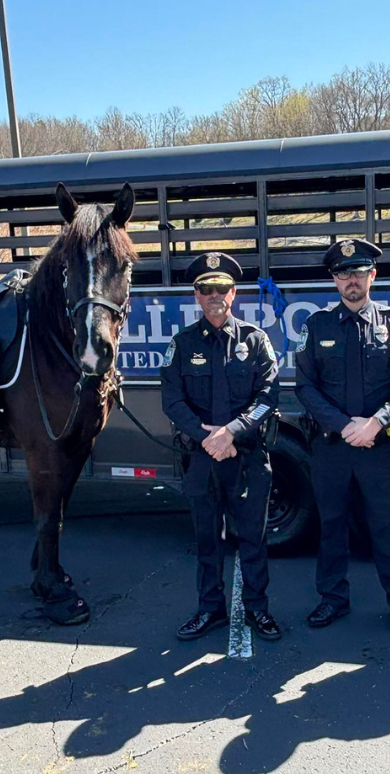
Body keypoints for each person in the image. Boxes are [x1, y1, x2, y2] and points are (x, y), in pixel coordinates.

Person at [295, 238, 390, 635]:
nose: (352, 279)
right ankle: (332, 599)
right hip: (332, 447)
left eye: (359, 271)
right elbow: (305, 385)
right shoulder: (316, 326)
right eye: (343, 273)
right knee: (331, 525)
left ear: (373, 275)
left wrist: (376, 423)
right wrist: (343, 425)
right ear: (335, 280)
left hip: (380, 448)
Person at [161, 251, 282, 642]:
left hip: (247, 458)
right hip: (202, 460)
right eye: (206, 288)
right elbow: (172, 401)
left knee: (253, 539)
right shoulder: (181, 344)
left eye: (222, 288)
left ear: (235, 293)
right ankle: (209, 609)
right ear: (196, 295)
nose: (215, 294)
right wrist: (206, 437)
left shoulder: (255, 340)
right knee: (207, 540)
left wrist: (230, 433)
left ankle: (258, 610)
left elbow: (268, 396)